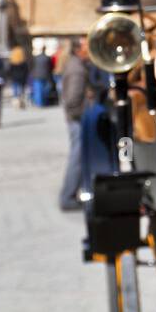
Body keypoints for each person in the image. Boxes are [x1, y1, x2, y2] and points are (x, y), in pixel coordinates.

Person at [58, 38, 91, 210]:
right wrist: (85, 113)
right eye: (87, 46)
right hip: (77, 120)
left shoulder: (75, 65)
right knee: (76, 158)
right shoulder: (77, 70)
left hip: (75, 118)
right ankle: (68, 197)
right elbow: (72, 100)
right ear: (79, 50)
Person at [30, 43, 53, 108]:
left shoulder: (36, 57)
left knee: (38, 90)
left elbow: (32, 66)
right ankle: (43, 102)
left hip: (37, 75)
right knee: (44, 89)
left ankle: (39, 103)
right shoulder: (47, 58)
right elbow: (50, 67)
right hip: (45, 75)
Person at [8, 44, 29, 109]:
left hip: (14, 78)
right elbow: (26, 70)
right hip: (22, 78)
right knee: (21, 90)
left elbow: (9, 71)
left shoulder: (12, 62)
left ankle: (16, 103)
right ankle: (22, 102)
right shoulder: (23, 62)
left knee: (15, 91)